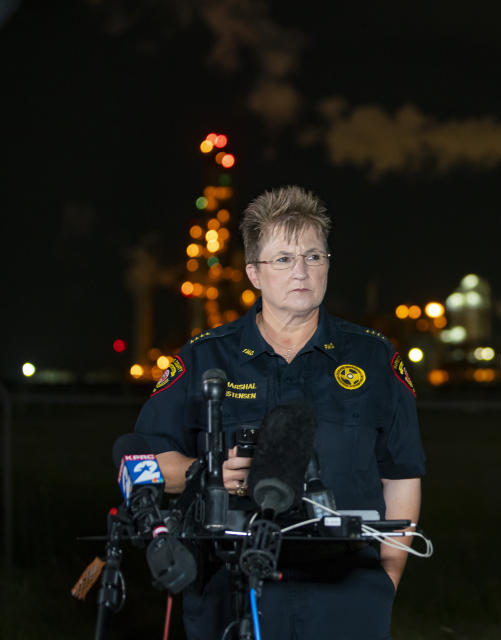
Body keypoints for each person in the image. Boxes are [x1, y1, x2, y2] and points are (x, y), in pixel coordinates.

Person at [132, 185, 426, 639]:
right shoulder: (204, 360)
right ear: (253, 273)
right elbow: (145, 463)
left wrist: (388, 576)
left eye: (314, 257)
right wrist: (207, 472)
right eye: (284, 259)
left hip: (346, 596)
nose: (302, 272)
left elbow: (402, 473)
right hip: (230, 591)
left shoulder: (374, 359)